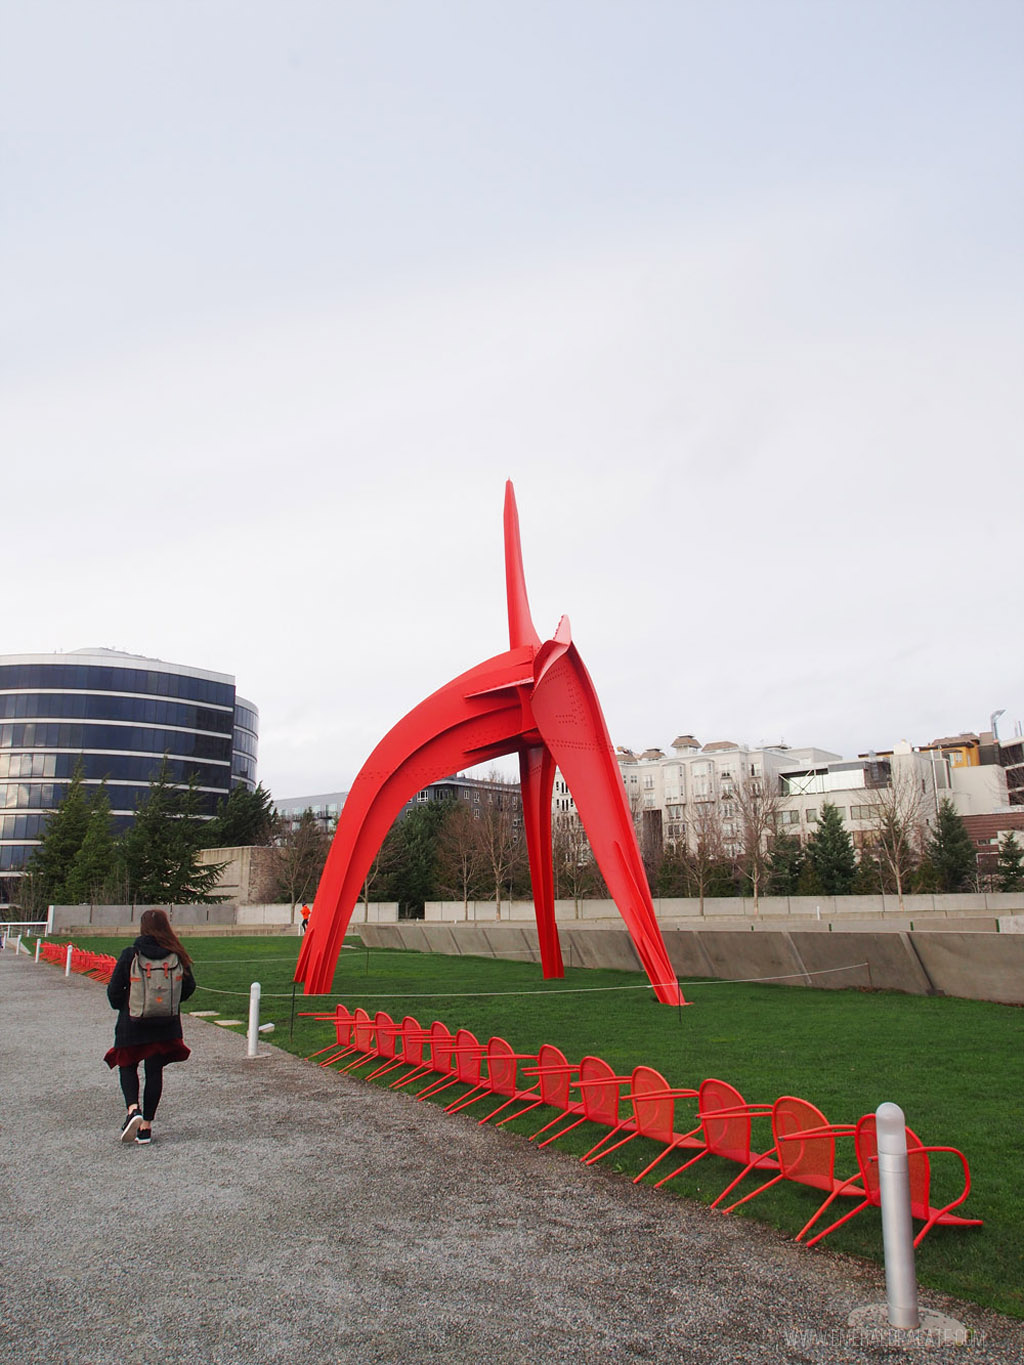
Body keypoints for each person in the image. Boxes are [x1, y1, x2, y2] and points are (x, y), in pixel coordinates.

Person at [105, 908, 196, 1145]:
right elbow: (189, 987)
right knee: (154, 1072)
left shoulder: (130, 954)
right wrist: (168, 1002)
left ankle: (132, 1109)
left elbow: (114, 992)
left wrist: (125, 1005)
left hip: (133, 1021)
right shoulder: (175, 954)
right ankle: (146, 1126)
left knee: (127, 1065)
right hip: (164, 1023)